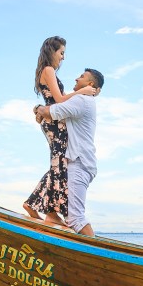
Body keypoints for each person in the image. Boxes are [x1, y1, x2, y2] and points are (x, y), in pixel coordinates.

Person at [23, 37, 96, 226]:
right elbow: (60, 99)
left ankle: (37, 205)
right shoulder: (48, 70)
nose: (63, 58)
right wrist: (83, 92)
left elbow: (56, 101)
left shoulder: (45, 71)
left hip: (53, 121)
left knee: (58, 164)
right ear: (51, 51)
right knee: (59, 164)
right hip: (54, 123)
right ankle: (49, 211)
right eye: (61, 53)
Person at [34, 68, 104, 236]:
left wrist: (39, 109)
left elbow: (50, 111)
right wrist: (41, 111)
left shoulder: (82, 101)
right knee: (71, 216)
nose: (76, 78)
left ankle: (97, 257)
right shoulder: (82, 101)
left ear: (90, 84)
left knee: (75, 219)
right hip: (79, 162)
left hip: (79, 163)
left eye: (81, 77)